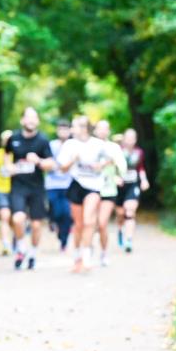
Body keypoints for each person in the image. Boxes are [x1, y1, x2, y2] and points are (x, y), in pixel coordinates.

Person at [58, 116, 114, 273]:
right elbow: (62, 168)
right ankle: (77, 256)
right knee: (79, 224)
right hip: (76, 185)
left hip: (94, 186)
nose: (71, 129)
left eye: (74, 126)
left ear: (83, 128)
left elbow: (110, 159)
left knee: (89, 221)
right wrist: (72, 160)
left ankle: (87, 257)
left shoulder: (97, 144)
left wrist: (100, 165)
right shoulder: (69, 145)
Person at [3, 107, 55, 270]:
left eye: (34, 118)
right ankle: (21, 248)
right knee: (17, 219)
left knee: (36, 225)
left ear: (37, 121)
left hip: (37, 188)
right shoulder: (14, 138)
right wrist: (8, 167)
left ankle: (32, 252)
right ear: (22, 120)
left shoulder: (43, 140)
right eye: (28, 118)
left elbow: (51, 164)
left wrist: (38, 161)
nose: (31, 121)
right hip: (18, 186)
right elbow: (6, 155)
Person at [91, 120, 127, 267]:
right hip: (91, 188)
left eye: (105, 129)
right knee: (90, 223)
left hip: (108, 189)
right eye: (100, 128)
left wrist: (118, 176)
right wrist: (104, 164)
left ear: (109, 131)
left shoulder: (114, 147)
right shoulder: (90, 146)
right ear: (95, 131)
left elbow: (122, 167)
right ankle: (89, 247)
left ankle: (104, 252)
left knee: (102, 223)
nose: (102, 131)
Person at [116, 128, 150, 252]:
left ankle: (129, 239)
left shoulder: (139, 152)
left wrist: (144, 180)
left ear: (135, 140)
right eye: (128, 138)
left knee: (129, 211)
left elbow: (140, 167)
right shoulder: (118, 151)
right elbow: (111, 166)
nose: (130, 141)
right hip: (119, 186)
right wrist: (116, 177)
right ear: (124, 139)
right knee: (120, 213)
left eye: (132, 138)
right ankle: (120, 230)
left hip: (133, 184)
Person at [45, 118, 73, 251]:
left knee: (67, 213)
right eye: (61, 129)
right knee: (55, 212)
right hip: (52, 184)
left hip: (68, 184)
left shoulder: (74, 145)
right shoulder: (51, 145)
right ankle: (53, 222)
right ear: (57, 131)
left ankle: (64, 239)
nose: (63, 132)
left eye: (66, 129)